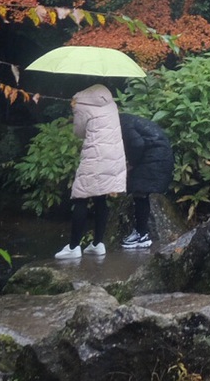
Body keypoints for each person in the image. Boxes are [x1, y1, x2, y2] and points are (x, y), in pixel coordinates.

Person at [56, 82, 126, 261]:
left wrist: (75, 109)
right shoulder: (111, 102)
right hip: (113, 155)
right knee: (100, 195)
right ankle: (97, 244)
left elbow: (79, 132)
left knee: (81, 196)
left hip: (94, 154)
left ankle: (73, 247)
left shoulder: (80, 103)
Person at [118, 112, 174, 249]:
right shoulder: (128, 119)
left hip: (153, 158)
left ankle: (141, 234)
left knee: (140, 193)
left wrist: (132, 162)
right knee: (141, 194)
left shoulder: (122, 123)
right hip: (159, 156)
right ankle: (141, 233)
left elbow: (137, 143)